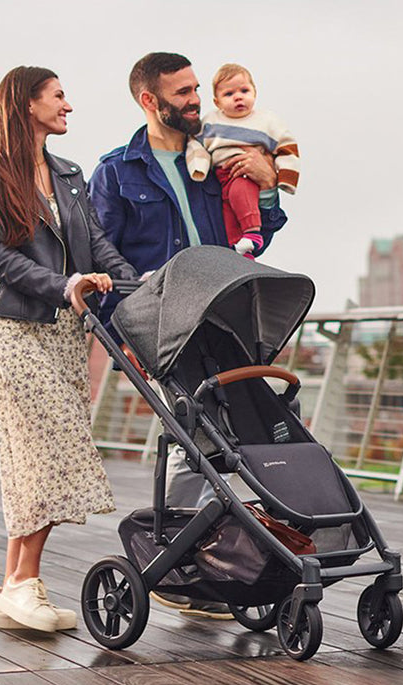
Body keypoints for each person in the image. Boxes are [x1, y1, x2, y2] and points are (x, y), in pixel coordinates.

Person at [88, 52, 288, 619]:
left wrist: (268, 187)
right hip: (162, 326)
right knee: (193, 430)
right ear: (150, 101)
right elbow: (104, 261)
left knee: (228, 432)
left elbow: (258, 230)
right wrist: (121, 329)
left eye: (197, 88)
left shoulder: (218, 158)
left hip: (226, 317)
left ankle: (208, 558)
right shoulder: (117, 173)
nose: (197, 99)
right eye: (183, 92)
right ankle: (180, 563)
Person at [0, 66, 138, 632]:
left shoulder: (68, 172)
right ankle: (22, 583)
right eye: (59, 96)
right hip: (19, 325)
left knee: (39, 452)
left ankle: (16, 587)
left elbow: (98, 242)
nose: (69, 105)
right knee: (48, 447)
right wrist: (65, 285)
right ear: (27, 103)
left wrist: (135, 285)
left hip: (66, 329)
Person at [186, 63, 299, 258]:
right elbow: (196, 146)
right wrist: (200, 167)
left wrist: (286, 179)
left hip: (245, 174)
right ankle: (241, 252)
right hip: (222, 177)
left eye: (244, 90)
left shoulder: (266, 121)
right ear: (217, 101)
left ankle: (253, 233)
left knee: (242, 194)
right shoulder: (211, 121)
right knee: (228, 216)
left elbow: (286, 146)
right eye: (228, 94)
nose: (238, 97)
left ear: (254, 93)